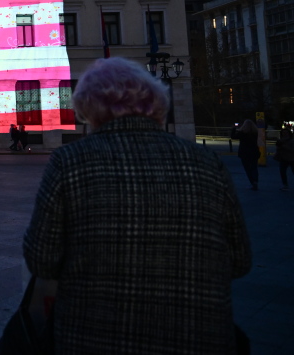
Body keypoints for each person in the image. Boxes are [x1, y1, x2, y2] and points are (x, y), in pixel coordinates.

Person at [23, 57, 251, 354]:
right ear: (156, 103)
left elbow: (41, 260)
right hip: (197, 338)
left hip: (93, 338)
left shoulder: (70, 162)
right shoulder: (207, 163)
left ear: (87, 108)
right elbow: (241, 260)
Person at [231, 120, 261, 190]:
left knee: (247, 169)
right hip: (254, 152)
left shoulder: (242, 133)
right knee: (254, 168)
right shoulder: (255, 133)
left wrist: (233, 128)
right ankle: (255, 181)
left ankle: (252, 183)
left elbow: (233, 137)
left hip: (244, 153)